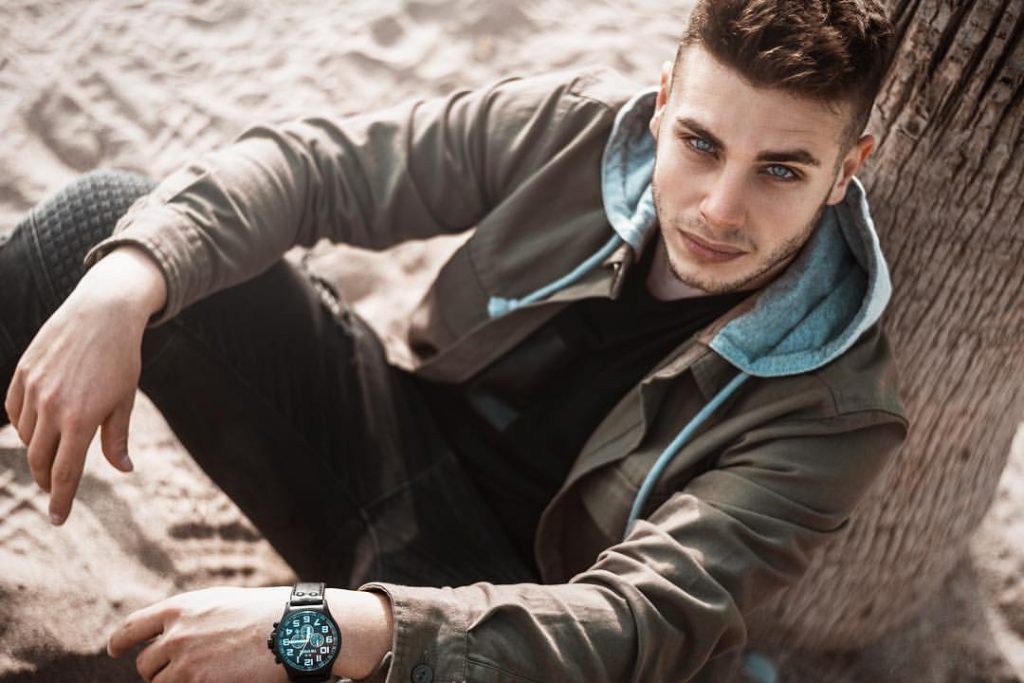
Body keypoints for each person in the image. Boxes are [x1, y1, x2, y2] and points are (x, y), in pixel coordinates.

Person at [0, 0, 907, 681]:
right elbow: (318, 170)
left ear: (847, 169)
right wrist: (127, 283)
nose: (720, 208)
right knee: (109, 226)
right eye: (700, 143)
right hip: (383, 442)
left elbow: (635, 621)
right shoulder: (578, 128)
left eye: (780, 170)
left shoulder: (836, 411)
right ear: (664, 103)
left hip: (509, 616)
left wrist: (315, 626)